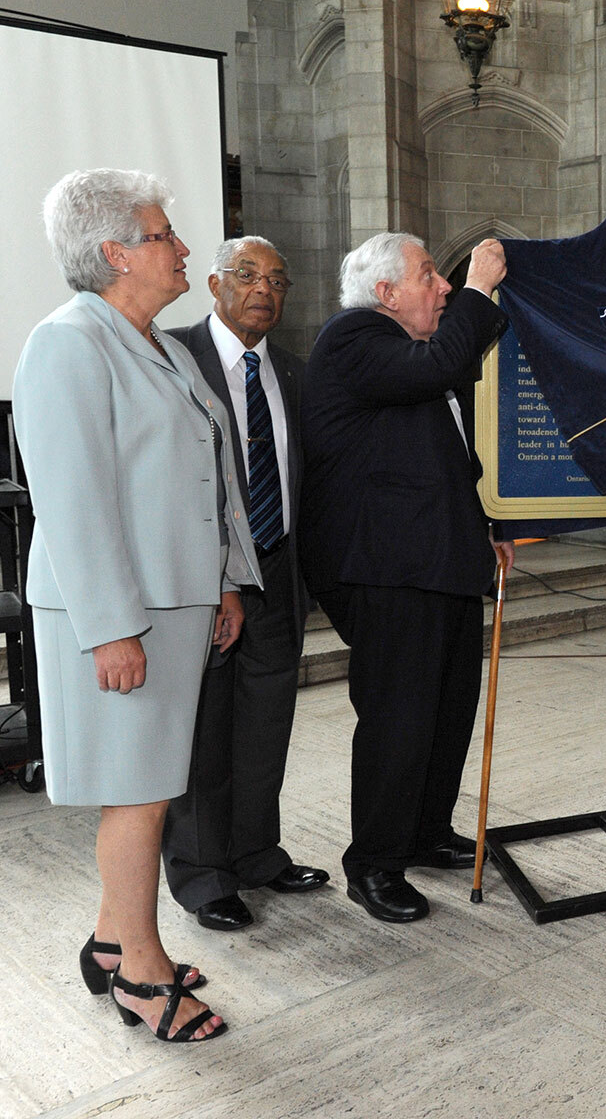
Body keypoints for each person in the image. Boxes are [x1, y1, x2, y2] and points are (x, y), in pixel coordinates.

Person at [15, 168, 261, 1042]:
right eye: (164, 234)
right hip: (122, 615)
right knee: (140, 793)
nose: (184, 248)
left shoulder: (151, 340)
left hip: (175, 603)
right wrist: (112, 627)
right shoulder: (69, 342)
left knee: (150, 786)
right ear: (115, 251)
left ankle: (111, 942)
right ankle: (143, 973)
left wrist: (227, 579)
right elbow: (73, 499)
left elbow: (205, 472)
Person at [300, 233, 513, 923]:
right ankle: (376, 863)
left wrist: (482, 532)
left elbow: (444, 463)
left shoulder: (412, 358)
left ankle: (424, 832)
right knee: (400, 719)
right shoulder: (353, 337)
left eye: (449, 281)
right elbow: (445, 362)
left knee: (447, 712)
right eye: (431, 276)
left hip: (439, 562)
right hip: (385, 569)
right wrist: (481, 285)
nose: (445, 288)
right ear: (386, 293)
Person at [160, 237, 328, 931]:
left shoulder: (291, 370)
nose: (266, 289)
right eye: (249, 275)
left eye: (278, 280)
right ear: (213, 283)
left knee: (266, 727)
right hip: (202, 579)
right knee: (204, 732)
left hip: (278, 576)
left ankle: (258, 854)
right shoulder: (170, 357)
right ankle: (204, 877)